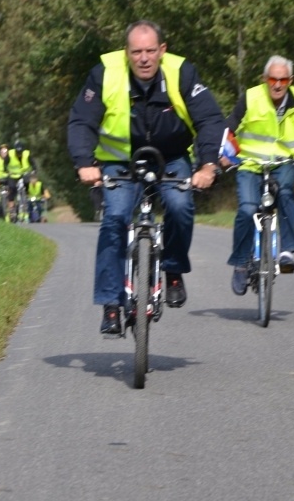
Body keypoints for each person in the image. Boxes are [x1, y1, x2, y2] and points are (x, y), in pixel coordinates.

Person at [68, 20, 225, 335]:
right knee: (114, 219)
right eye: (136, 51)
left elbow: (209, 118)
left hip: (172, 157)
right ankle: (111, 306)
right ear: (126, 52)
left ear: (162, 51)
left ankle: (174, 268)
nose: (143, 58)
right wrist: (85, 163)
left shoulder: (181, 72)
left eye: (150, 51)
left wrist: (208, 165)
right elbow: (81, 121)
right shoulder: (105, 73)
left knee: (180, 207)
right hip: (119, 160)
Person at [219, 54, 294, 296]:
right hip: (250, 164)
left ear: (291, 80)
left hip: (285, 162)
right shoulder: (250, 97)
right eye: (272, 79)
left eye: (283, 80)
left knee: (286, 191)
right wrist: (226, 154)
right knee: (247, 209)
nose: (277, 85)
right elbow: (230, 129)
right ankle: (240, 263)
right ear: (264, 79)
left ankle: (287, 251)